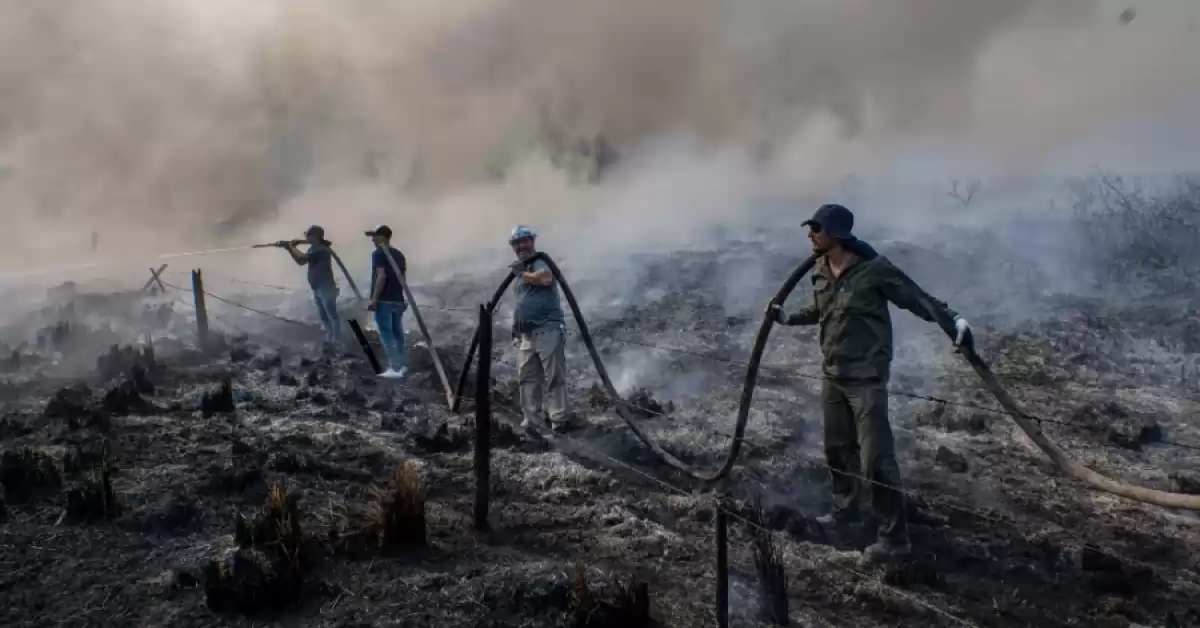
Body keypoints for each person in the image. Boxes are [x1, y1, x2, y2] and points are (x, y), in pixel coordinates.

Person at [765, 203, 973, 563]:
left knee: (876, 460)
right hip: (833, 375)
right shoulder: (819, 269)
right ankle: (848, 514)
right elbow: (821, 310)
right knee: (837, 450)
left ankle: (894, 539)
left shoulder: (874, 271)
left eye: (815, 228)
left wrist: (952, 321)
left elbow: (915, 297)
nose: (810, 234)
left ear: (834, 234)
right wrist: (787, 317)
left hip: (866, 380)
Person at [508, 225, 571, 430]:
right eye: (517, 243)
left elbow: (545, 278)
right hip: (527, 335)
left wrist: (523, 275)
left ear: (532, 242)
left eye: (525, 241)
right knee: (527, 378)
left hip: (547, 329)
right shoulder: (522, 269)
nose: (522, 246)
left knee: (554, 376)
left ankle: (559, 422)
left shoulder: (539, 261)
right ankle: (532, 421)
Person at [283, 225, 341, 347]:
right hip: (318, 288)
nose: (306, 237)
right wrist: (289, 249)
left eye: (309, 235)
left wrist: (291, 246)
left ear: (315, 236)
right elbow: (300, 261)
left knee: (332, 316)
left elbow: (302, 258)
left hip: (326, 287)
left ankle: (337, 340)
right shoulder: (313, 249)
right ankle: (329, 338)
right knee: (324, 316)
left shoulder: (321, 249)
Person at [365, 224, 408, 379]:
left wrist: (374, 300)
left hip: (384, 300)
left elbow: (381, 277)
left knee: (386, 334)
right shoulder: (399, 254)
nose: (372, 239)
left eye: (375, 236)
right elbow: (402, 278)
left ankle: (395, 368)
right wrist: (402, 297)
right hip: (397, 299)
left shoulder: (378, 253)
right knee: (398, 333)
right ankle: (402, 365)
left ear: (382, 237)